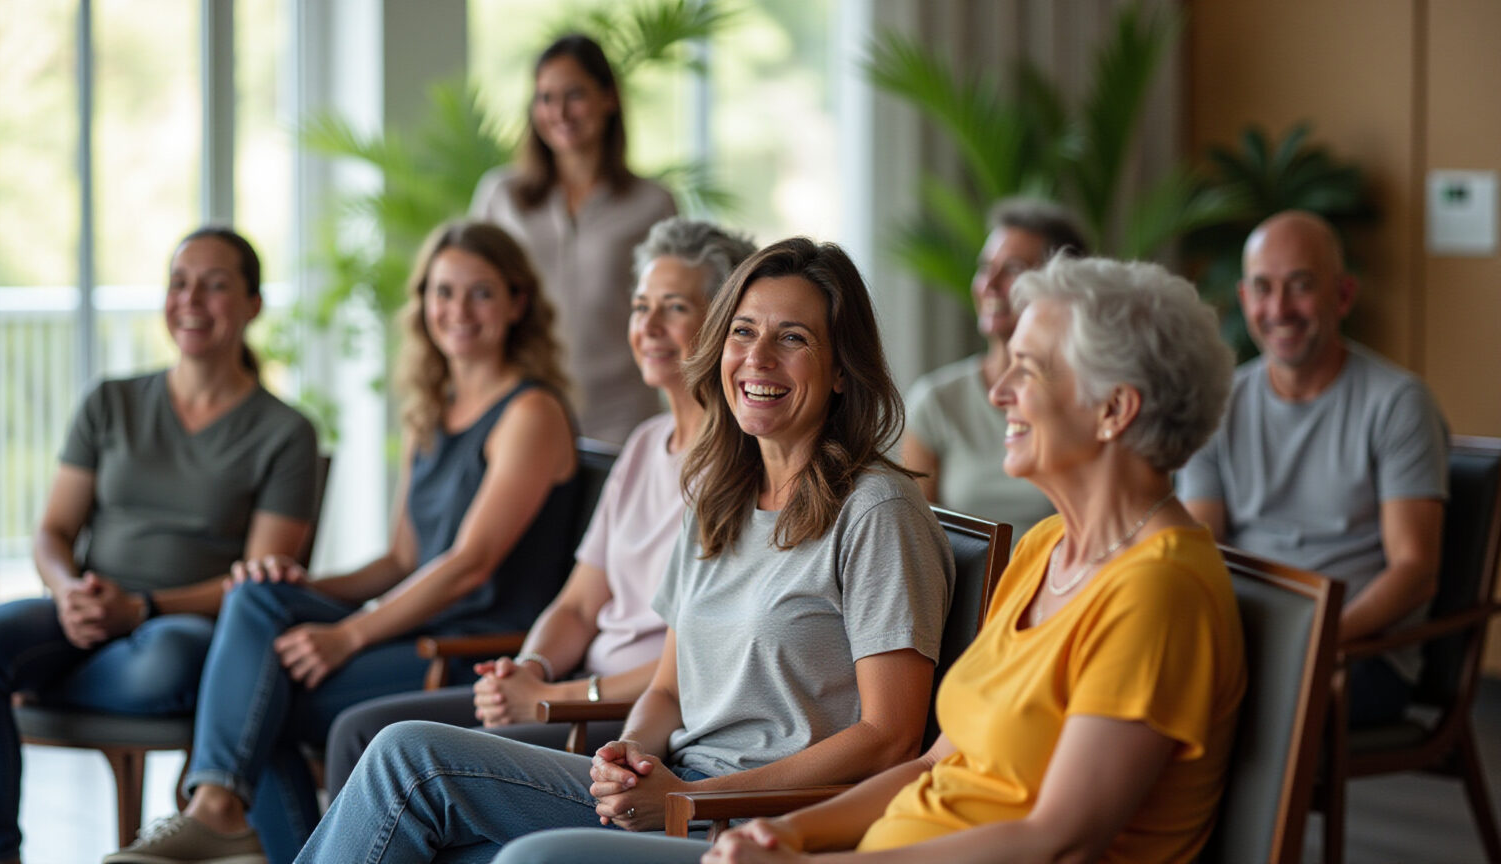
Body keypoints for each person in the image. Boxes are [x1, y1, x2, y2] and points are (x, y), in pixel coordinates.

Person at [495, 255, 1248, 864]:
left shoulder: (1159, 591)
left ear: (1114, 411)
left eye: (1032, 368)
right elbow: (928, 766)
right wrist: (789, 835)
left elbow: (1060, 839)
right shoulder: (1052, 547)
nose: (999, 392)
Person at [295, 237, 956, 864]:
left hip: (751, 820)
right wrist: (628, 755)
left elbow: (889, 738)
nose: (759, 358)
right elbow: (669, 688)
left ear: (843, 370)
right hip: (674, 787)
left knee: (520, 855)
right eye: (744, 332)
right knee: (402, 754)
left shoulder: (877, 511)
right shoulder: (720, 497)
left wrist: (688, 798)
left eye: (794, 338)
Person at [103, 221, 583, 864]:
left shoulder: (531, 413)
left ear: (517, 303)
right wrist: (296, 587)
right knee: (257, 602)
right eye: (443, 293)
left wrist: (349, 635)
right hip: (414, 629)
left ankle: (229, 820)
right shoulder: (431, 412)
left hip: (475, 646)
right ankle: (223, 812)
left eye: (480, 294)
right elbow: (401, 562)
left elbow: (468, 566)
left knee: (261, 700)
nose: (457, 311)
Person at [321, 218, 757, 795]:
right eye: (639, 306)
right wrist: (529, 670)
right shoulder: (646, 445)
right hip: (575, 690)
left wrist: (555, 697)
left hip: (632, 721)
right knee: (359, 730)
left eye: (673, 308)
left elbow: (700, 666)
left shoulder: (742, 466)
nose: (648, 327)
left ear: (724, 322)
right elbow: (578, 605)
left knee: (391, 746)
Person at [0, 227, 319, 864]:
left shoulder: (283, 432)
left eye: (215, 286)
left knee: (169, 659)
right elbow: (54, 532)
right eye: (180, 283)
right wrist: (69, 590)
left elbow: (263, 581)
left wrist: (144, 608)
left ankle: (28, 684)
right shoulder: (112, 401)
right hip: (86, 613)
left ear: (253, 304)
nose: (192, 300)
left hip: (180, 627)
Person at [1178, 210, 1448, 726]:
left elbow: (1415, 571)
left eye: (1301, 286)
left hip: (1360, 650)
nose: (1279, 309)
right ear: (1244, 300)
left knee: (1213, 714)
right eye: (1263, 288)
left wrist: (1317, 639)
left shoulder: (1397, 403)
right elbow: (1201, 549)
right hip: (1246, 640)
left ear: (1343, 296)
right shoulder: (1217, 405)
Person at [472, 33, 678, 444]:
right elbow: (474, 295)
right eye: (545, 98)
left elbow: (680, 313)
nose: (559, 112)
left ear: (609, 98)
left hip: (622, 417)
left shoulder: (653, 204)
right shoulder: (501, 196)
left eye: (575, 95)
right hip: (519, 410)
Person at [900, 198, 1087, 539]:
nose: (989, 284)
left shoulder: (1089, 402)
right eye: (985, 267)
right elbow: (913, 543)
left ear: (1061, 287)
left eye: (1013, 269)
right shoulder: (938, 401)